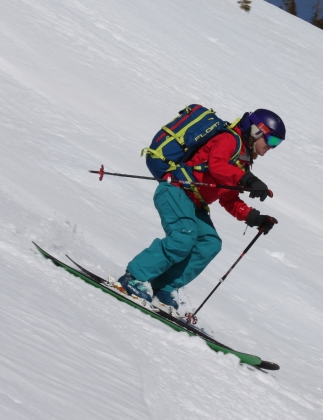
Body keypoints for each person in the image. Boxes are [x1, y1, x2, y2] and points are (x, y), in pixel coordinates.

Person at [116, 109, 285, 314]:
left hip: (194, 202)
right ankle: (133, 278)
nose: (271, 147)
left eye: (277, 144)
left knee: (210, 243)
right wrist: (246, 179)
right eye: (273, 140)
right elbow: (217, 165)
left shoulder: (243, 160)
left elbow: (228, 197)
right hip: (176, 190)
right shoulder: (229, 139)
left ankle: (164, 288)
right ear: (258, 131)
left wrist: (254, 217)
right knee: (183, 236)